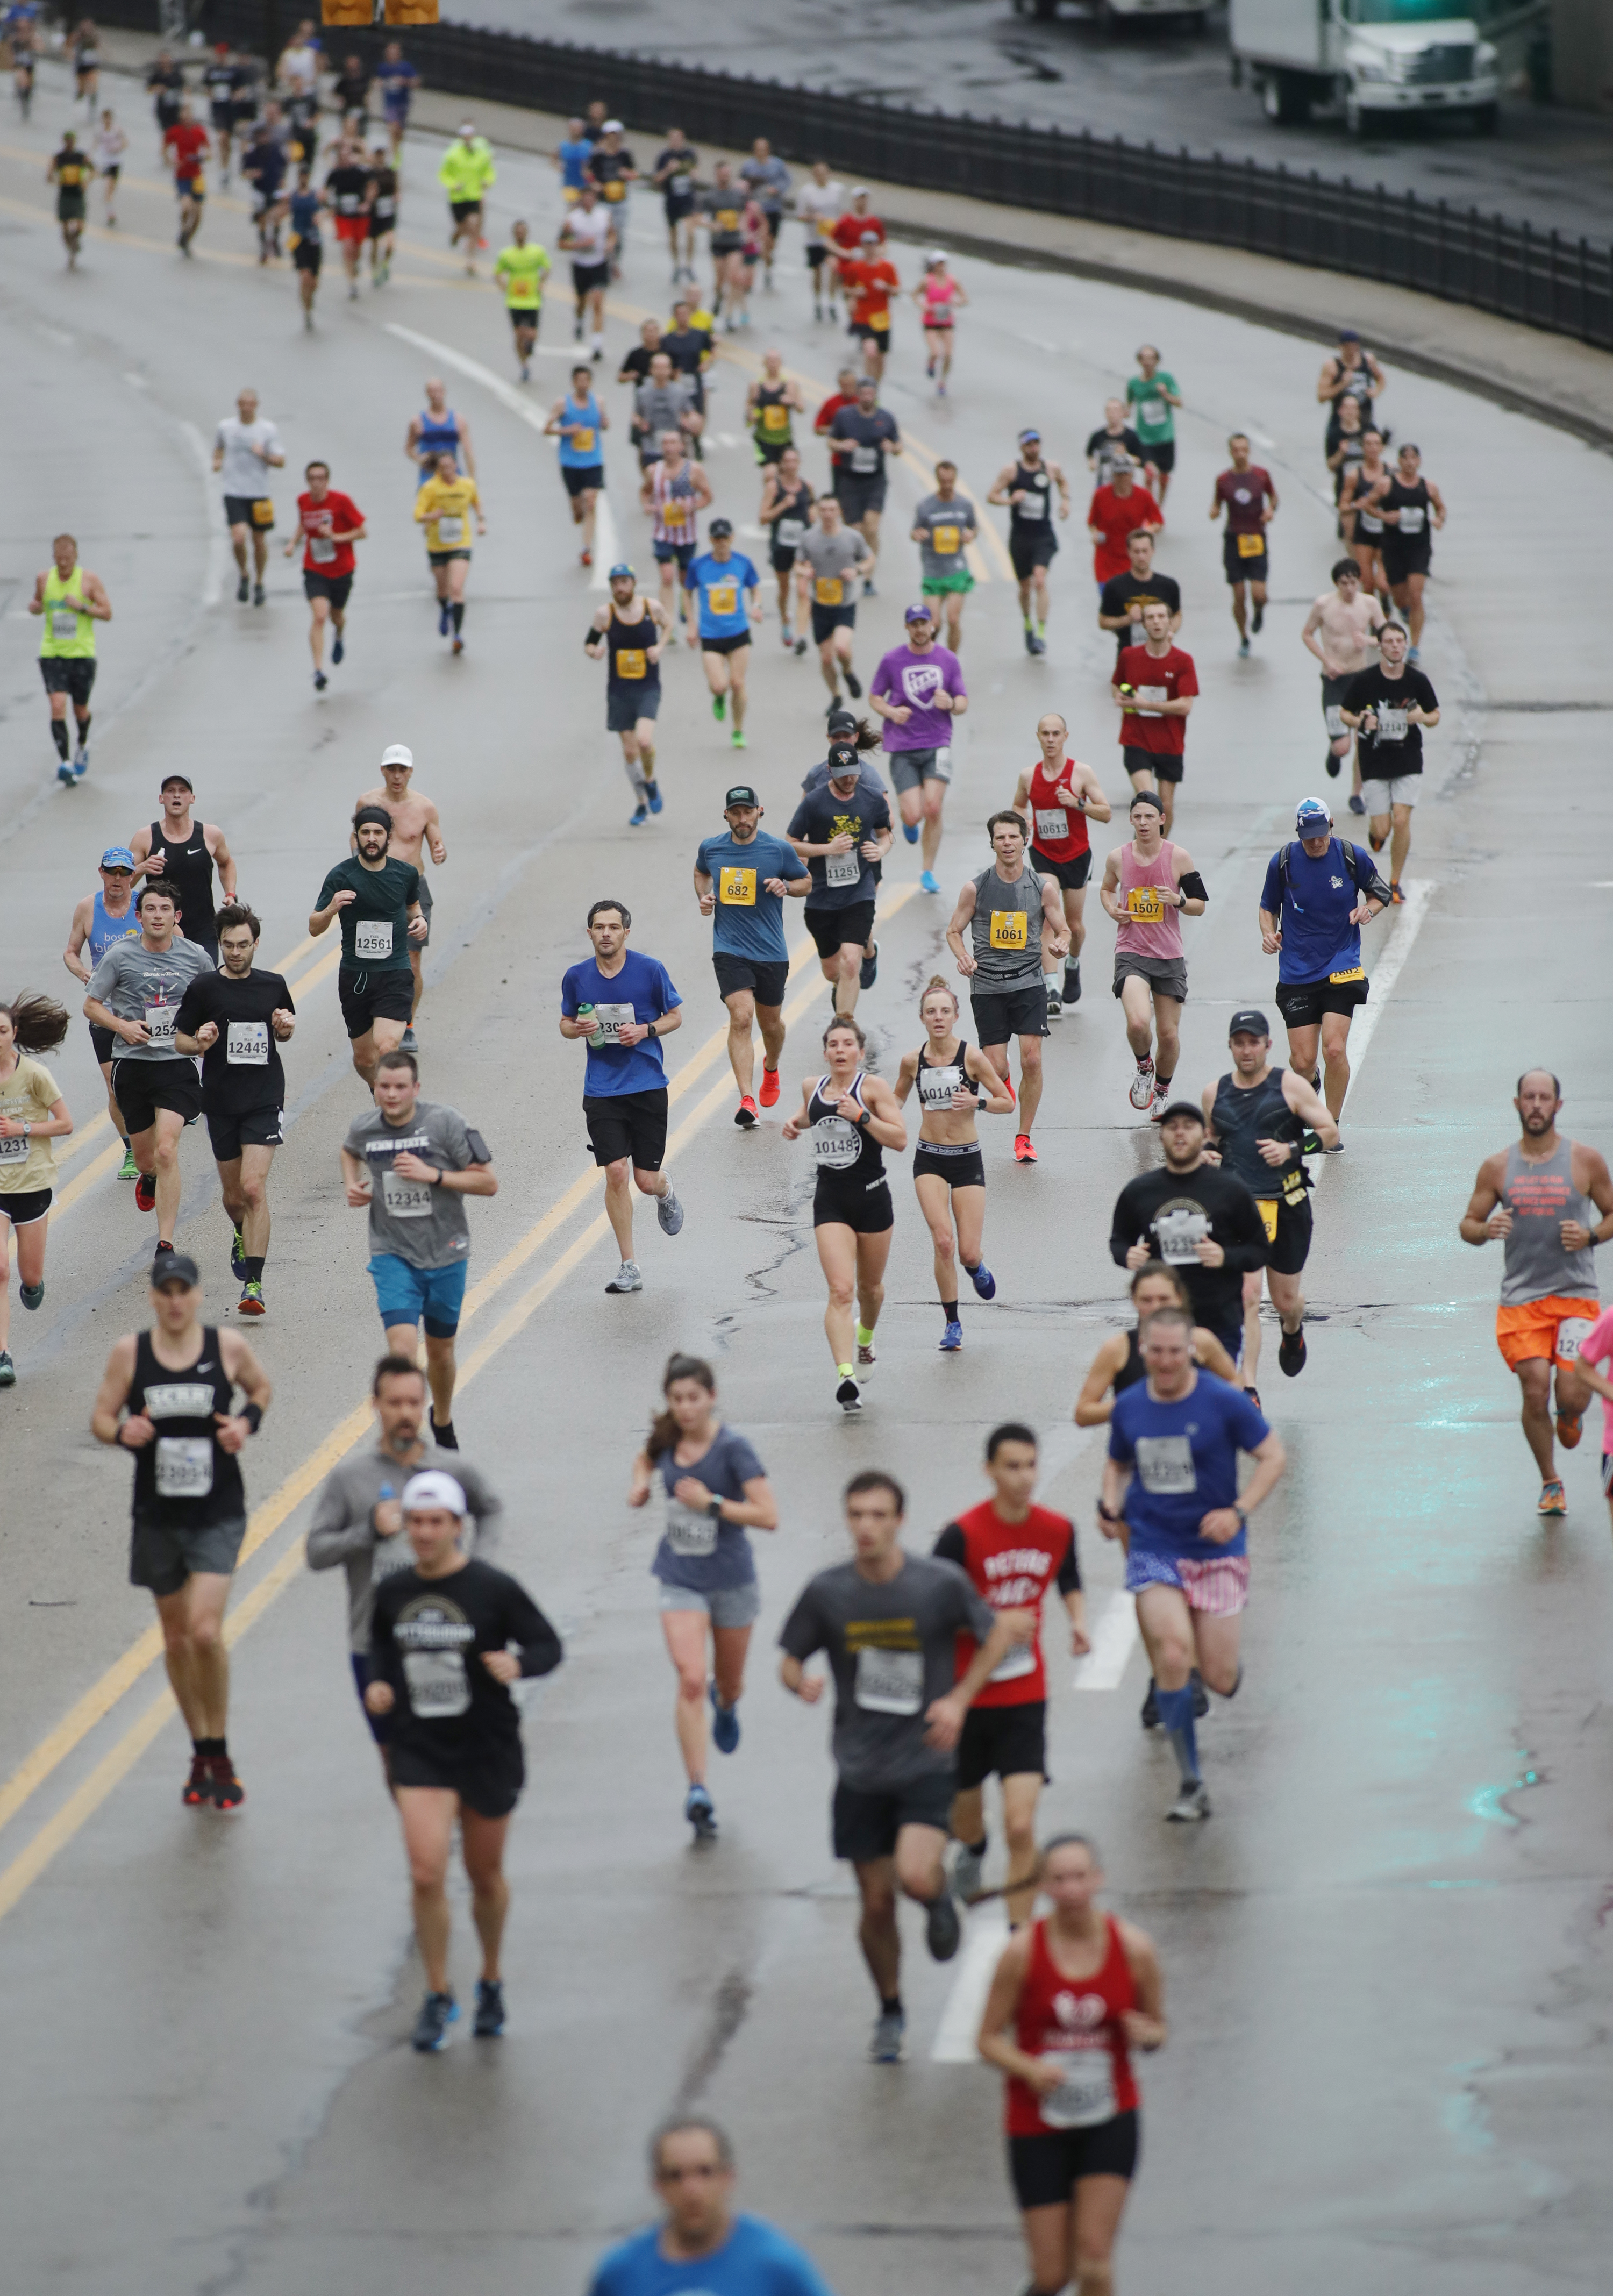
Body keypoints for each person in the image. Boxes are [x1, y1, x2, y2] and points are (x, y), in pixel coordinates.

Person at [779, 1468, 1020, 2058]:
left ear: (899, 1520)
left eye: (878, 1515)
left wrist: (960, 1699)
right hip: (859, 1769)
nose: (866, 1526)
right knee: (876, 1902)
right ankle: (890, 2009)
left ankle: (937, 1897)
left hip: (925, 1762)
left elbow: (996, 1636)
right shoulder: (828, 1591)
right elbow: (790, 1655)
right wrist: (800, 1683)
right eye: (856, 1515)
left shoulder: (936, 1584)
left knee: (913, 1875)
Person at [366, 1472, 562, 2050]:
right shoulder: (393, 1592)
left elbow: (549, 1645)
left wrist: (519, 1666)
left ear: (458, 1526)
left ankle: (492, 1977)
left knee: (484, 1876)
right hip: (420, 1747)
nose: (424, 1533)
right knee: (426, 1871)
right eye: (416, 1521)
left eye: (436, 1522)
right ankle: (436, 1992)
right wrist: (380, 1685)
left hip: (486, 1746)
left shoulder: (493, 1589)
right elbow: (380, 1647)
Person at [90, 1251, 272, 1812]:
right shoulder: (132, 1354)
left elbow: (260, 1391)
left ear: (196, 1296)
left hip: (218, 1509)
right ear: (153, 1297)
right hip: (157, 1514)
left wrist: (245, 1423)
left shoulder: (227, 1348)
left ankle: (219, 1747)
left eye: (183, 1292)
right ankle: (200, 1748)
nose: (174, 1301)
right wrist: (125, 1430)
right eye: (164, 1292)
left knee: (204, 1634)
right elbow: (99, 1418)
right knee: (173, 1640)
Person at [1102, 1306, 1284, 1819]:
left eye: (1174, 1352)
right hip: (1155, 1546)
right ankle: (1191, 1782)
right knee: (1175, 1655)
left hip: (1216, 1551)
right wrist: (1109, 1503)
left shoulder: (1223, 1402)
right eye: (1154, 1352)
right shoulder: (1130, 1405)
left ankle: (1222, 1668)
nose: (1164, 1362)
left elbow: (1273, 1456)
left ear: (1193, 1353)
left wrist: (1239, 1511)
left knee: (1221, 1678)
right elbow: (1116, 1463)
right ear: (1143, 1353)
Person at [977, 1835, 1166, 2296]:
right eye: (1059, 1879)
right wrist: (1030, 2069)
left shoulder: (1134, 1949)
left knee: (1095, 2260)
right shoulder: (1022, 1953)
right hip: (1036, 2121)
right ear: (1043, 1886)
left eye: (1081, 1877)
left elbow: (1157, 2028)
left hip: (1110, 2113)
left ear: (1098, 1880)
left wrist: (1149, 2035)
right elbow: (986, 2040)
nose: (1072, 1889)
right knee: (1052, 2275)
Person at [308, 1354, 503, 1768]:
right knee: (398, 1763)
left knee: (450, 1756)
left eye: (415, 1403)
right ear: (375, 1406)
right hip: (374, 1646)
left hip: (445, 1637)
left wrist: (477, 1571)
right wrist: (368, 1532)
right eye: (395, 1403)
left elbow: (491, 1508)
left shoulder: (449, 1470)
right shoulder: (351, 1479)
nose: (406, 1413)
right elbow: (316, 1552)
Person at [936, 1426, 1085, 1922]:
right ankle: (974, 1850)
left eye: (1029, 1465)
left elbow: (1068, 1575)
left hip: (1024, 1697)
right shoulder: (961, 1536)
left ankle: (1019, 1934)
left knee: (1021, 1827)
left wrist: (1079, 1621)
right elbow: (935, 1610)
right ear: (990, 1471)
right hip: (967, 1697)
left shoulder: (1057, 1529)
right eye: (1011, 1466)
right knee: (966, 1819)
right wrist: (992, 1623)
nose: (1023, 1477)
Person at [627, 1356, 778, 1842]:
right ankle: (698, 1789)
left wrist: (711, 1503)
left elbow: (768, 1515)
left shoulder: (733, 1450)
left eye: (694, 1398)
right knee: (691, 1679)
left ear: (712, 1397)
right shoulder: (666, 1436)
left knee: (727, 1686)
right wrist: (639, 1488)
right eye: (677, 1399)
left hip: (732, 1579)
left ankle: (727, 1703)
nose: (686, 1408)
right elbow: (645, 1459)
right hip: (680, 1577)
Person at [1459, 1072, 1613, 1516]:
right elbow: (1467, 1224)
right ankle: (1551, 1482)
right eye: (1530, 1098)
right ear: (1517, 1104)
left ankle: (1569, 1414)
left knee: (1570, 1395)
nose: (1537, 1105)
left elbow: (1611, 1214)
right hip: (1522, 1299)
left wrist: (1589, 1237)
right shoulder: (1497, 1168)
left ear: (1558, 1106)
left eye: (1545, 1098)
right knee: (1533, 1389)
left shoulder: (1586, 1162)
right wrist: (1487, 1230)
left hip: (1576, 1296)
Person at [341, 1050, 497, 1447]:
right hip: (392, 1253)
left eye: (400, 1087)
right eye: (384, 1087)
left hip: (446, 1252)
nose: (391, 1095)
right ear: (374, 1088)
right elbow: (349, 1149)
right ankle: (402, 1435)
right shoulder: (366, 1128)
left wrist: (434, 1175)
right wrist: (352, 1185)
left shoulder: (444, 1123)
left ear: (416, 1089)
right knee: (403, 1351)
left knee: (441, 1352)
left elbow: (488, 1183)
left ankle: (441, 1419)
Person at [1203, 1010, 1336, 1394]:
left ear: (1267, 1045)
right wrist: (1208, 1154)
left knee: (1285, 1300)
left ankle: (1292, 1329)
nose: (1247, 1051)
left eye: (1254, 1043)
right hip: (1240, 1211)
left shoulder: (1291, 1087)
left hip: (1287, 1204)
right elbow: (1212, 1137)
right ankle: (1248, 1388)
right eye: (1239, 1043)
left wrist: (1292, 1148)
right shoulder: (1214, 1093)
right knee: (1246, 1296)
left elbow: (1329, 1131)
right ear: (1230, 1046)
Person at [558, 900, 685, 1295]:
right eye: (600, 927)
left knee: (645, 1181)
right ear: (590, 933)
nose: (607, 934)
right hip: (602, 1088)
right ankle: (629, 1265)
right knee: (615, 1172)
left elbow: (676, 1016)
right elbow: (564, 1023)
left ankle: (666, 1192)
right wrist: (576, 1029)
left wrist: (645, 1031)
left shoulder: (650, 970)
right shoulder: (577, 976)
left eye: (614, 927)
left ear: (626, 932)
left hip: (647, 1085)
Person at [173, 906, 294, 1317]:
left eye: (244, 945)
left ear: (256, 944)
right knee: (234, 1197)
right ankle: (241, 1233)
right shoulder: (205, 988)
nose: (236, 953)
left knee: (254, 1188)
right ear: (220, 944)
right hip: (221, 1101)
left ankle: (254, 1284)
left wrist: (285, 1028)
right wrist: (200, 1042)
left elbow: (285, 1027)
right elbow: (180, 1042)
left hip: (264, 1097)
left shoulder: (273, 984)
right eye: (229, 945)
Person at [782, 1017, 907, 1410]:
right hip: (831, 1200)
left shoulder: (872, 1089)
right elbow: (811, 1116)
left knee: (870, 1290)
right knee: (841, 1291)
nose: (839, 1050)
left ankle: (865, 1338)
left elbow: (901, 1139)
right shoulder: (812, 1087)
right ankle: (845, 1376)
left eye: (847, 1044)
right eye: (833, 1044)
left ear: (860, 1052)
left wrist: (862, 1117)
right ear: (825, 1052)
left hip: (872, 1198)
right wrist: (795, 1123)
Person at [83, 881, 210, 1259]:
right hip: (133, 1065)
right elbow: (91, 1006)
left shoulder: (196, 957)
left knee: (168, 1150)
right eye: (150, 909)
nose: (158, 916)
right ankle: (149, 1176)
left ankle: (165, 1243)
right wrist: (122, 1026)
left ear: (177, 917)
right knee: (147, 1160)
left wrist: (205, 1030)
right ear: (139, 917)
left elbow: (215, 996)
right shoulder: (120, 956)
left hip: (177, 1065)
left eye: (164, 909)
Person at [1258, 795, 1391, 1132]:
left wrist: (1367, 910)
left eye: (1321, 834)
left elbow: (1381, 893)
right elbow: (1268, 906)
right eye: (1309, 836)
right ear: (1299, 833)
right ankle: (1311, 1079)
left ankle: (1330, 1125)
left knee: (1334, 1048)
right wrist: (1268, 933)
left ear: (1332, 826)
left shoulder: (1350, 856)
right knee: (1302, 1061)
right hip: (1297, 969)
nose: (1316, 842)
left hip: (1342, 963)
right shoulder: (1284, 862)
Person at [894, 978, 1014, 1350]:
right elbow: (894, 1100)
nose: (939, 1018)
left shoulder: (972, 1057)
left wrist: (976, 1103)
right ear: (922, 1018)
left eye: (945, 1011)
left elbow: (1006, 1102)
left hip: (966, 1159)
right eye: (932, 1012)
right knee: (944, 1242)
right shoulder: (912, 1060)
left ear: (956, 1016)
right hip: (929, 1158)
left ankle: (977, 1267)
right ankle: (952, 1324)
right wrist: (874, 1124)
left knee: (967, 1251)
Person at [588, 2118, 834, 2295]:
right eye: (675, 2176)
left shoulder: (776, 2267)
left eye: (705, 2172)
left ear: (728, 2178)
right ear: (658, 2185)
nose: (691, 2190)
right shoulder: (621, 2274)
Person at [946, 812, 1068, 1166]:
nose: (1008, 843)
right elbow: (954, 930)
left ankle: (1024, 1137)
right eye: (1001, 838)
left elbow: (1063, 930)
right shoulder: (976, 888)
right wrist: (963, 957)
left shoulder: (1042, 887)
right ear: (992, 844)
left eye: (1014, 837)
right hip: (987, 985)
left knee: (1033, 1057)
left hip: (1029, 980)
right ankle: (1005, 1075)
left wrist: (1060, 944)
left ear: (1025, 840)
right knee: (995, 1069)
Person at [1108, 1103, 1268, 1372]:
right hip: (1160, 1323)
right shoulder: (1140, 1191)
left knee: (1213, 1403)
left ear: (1205, 1135)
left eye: (1188, 1127)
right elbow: (1118, 1241)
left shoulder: (1231, 1190)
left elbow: (1260, 1250)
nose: (1180, 1134)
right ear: (1161, 1136)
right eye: (1172, 1127)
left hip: (1219, 1318)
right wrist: (1127, 1255)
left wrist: (1225, 1257)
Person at [695, 787, 809, 1126]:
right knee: (742, 1016)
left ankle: (771, 1067)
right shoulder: (712, 848)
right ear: (726, 815)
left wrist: (786, 887)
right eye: (736, 813)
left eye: (748, 812)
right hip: (729, 948)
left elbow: (807, 881)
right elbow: (701, 872)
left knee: (770, 1023)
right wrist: (705, 898)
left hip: (771, 951)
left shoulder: (778, 850)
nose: (742, 819)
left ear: (760, 812)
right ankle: (747, 1100)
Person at [1098, 792, 1207, 1121]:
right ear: (1130, 820)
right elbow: (1106, 888)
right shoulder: (1118, 857)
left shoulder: (1179, 858)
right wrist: (1111, 908)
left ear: (1162, 819)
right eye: (1137, 817)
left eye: (1149, 817)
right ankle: (1144, 1065)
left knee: (1169, 1036)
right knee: (1137, 1021)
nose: (1143, 823)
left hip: (1169, 956)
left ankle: (1161, 1091)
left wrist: (1177, 900)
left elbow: (1200, 904)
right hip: (1131, 951)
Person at [311, 805, 426, 1085]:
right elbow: (314, 927)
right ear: (357, 837)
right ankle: (381, 1095)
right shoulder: (341, 876)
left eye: (378, 832)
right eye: (366, 832)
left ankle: (390, 1111)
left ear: (389, 837)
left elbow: (412, 905)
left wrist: (420, 919)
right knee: (364, 1060)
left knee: (387, 1047)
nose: (372, 838)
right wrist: (331, 910)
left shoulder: (406, 874)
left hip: (394, 974)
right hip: (356, 977)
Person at [1011, 714, 1112, 1018]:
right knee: (1046, 916)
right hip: (1044, 854)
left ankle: (1073, 963)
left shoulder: (1081, 773)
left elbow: (1106, 813)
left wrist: (1077, 803)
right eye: (1045, 734)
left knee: (1074, 924)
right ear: (1038, 736)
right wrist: (1024, 820)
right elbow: (1018, 803)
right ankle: (1051, 986)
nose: (1051, 739)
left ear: (1066, 736)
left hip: (1077, 856)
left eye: (1056, 734)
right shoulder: (1029, 776)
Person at [786, 741, 894, 1018]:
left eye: (854, 772)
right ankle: (862, 962)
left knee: (850, 962)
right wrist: (826, 849)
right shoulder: (814, 802)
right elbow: (791, 844)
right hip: (822, 895)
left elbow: (886, 834)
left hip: (859, 893)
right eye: (843, 772)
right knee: (833, 971)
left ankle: (844, 1026)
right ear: (830, 770)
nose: (850, 778)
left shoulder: (872, 799)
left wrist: (879, 850)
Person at [871, 603, 968, 896]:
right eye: (914, 624)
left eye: (924, 623)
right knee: (913, 815)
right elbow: (875, 696)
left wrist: (950, 704)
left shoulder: (948, 660)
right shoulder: (892, 660)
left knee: (933, 808)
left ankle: (927, 871)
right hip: (903, 745)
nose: (920, 629)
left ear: (932, 626)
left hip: (938, 741)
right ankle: (910, 824)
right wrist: (890, 712)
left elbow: (962, 701)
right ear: (907, 627)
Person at [0, 994, 73, 1388]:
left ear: (15, 1034)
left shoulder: (35, 1076)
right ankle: (2, 1354)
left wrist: (22, 1129)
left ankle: (34, 1284)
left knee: (28, 1275)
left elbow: (65, 1124)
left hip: (32, 1183)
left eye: (2, 1031)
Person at [351, 743, 445, 1043]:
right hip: (374, 886)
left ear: (410, 772)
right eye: (391, 769)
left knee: (412, 961)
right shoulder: (367, 802)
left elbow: (436, 846)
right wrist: (357, 862)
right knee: (371, 956)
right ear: (383, 770)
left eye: (402, 769)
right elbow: (356, 837)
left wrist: (440, 852)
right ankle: (370, 1013)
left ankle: (407, 1024)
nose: (396, 775)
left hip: (412, 889)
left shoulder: (424, 807)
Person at [1339, 620, 1438, 903]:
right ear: (1380, 646)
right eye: (1390, 641)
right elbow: (1346, 713)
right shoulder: (1366, 680)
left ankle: (1394, 881)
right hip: (1375, 761)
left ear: (1406, 645)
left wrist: (1421, 717)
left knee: (1402, 819)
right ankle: (1377, 834)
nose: (1396, 646)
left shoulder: (1416, 680)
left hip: (1408, 759)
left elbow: (1435, 716)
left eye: (1400, 641)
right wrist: (1361, 721)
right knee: (1383, 828)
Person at [1073, 1261, 1239, 1428]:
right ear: (1134, 1300)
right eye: (1147, 1300)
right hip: (1139, 1448)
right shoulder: (1118, 1348)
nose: (1156, 1307)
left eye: (1164, 1299)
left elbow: (1235, 1384)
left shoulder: (1202, 1341)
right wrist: (1136, 1403)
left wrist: (1205, 1404)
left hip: (1195, 1444)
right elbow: (1083, 1413)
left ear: (1179, 1298)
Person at [62, 845, 142, 1175]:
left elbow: (177, 940)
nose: (118, 879)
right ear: (102, 873)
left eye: (124, 873)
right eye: (112, 871)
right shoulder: (88, 908)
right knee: (116, 1086)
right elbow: (70, 952)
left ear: (132, 877)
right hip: (105, 1011)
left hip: (143, 1008)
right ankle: (130, 1149)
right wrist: (84, 973)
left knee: (148, 1079)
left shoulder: (144, 905)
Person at [589, 565, 670, 827]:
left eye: (624, 582)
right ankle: (641, 803)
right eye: (615, 583)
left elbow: (668, 625)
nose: (620, 588)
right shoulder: (605, 614)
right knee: (629, 751)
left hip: (648, 687)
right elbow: (590, 642)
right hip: (619, 691)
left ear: (634, 583)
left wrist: (659, 647)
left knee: (644, 742)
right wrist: (594, 652)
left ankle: (650, 781)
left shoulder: (652, 608)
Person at [29, 531, 110, 785]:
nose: (63, 563)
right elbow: (38, 603)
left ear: (76, 556)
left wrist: (82, 607)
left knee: (80, 710)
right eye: (58, 558)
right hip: (52, 652)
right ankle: (65, 763)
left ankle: (82, 744)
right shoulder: (44, 579)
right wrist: (36, 608)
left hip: (82, 654)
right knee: (57, 705)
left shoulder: (88, 581)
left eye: (67, 558)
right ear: (53, 557)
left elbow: (107, 612)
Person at [1111, 599, 1197, 836]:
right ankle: (1136, 859)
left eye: (1161, 617)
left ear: (1171, 623)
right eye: (1151, 618)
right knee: (1149, 802)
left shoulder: (1183, 661)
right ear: (1144, 624)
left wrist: (1145, 704)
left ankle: (1156, 852)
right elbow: (1116, 685)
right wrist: (1121, 698)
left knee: (1165, 808)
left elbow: (1185, 705)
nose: (1156, 622)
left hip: (1170, 741)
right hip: (1136, 739)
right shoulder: (1129, 656)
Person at [130, 772, 235, 964]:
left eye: (182, 791)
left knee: (203, 986)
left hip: (203, 930)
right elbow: (123, 883)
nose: (176, 796)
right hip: (161, 930)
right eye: (170, 791)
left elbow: (226, 863)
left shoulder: (210, 835)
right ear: (161, 799)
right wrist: (143, 868)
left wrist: (230, 893)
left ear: (192, 799)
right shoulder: (145, 837)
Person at [983, 431, 1067, 657]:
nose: (1033, 449)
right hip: (1021, 537)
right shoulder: (1011, 471)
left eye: (1036, 444)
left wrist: (1065, 502)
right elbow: (991, 495)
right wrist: (1011, 500)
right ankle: (1028, 624)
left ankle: (1041, 633)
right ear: (1022, 448)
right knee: (1025, 587)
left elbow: (1062, 482)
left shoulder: (1050, 468)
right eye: (1028, 445)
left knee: (1040, 580)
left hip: (1043, 535)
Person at [1301, 557, 1383, 788]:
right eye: (1345, 583)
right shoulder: (1323, 605)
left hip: (1361, 678)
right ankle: (1335, 750)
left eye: (1354, 582)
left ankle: (1356, 794)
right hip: (1335, 679)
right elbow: (1307, 634)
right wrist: (1326, 660)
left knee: (1363, 740)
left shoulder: (1369, 604)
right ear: (1337, 584)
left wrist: (1368, 640)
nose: (1350, 588)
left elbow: (1387, 636)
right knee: (1343, 747)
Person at [286, 460, 366, 690]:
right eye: (312, 479)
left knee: (336, 617)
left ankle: (339, 634)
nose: (316, 483)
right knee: (319, 616)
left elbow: (362, 532)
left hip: (342, 569)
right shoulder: (303, 501)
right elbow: (303, 523)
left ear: (328, 481)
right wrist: (293, 543)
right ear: (307, 481)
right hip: (315, 569)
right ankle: (319, 671)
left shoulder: (341, 501)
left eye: (321, 478)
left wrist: (336, 537)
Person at [684, 519, 763, 748]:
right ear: (711, 540)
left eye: (725, 538)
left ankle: (737, 730)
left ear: (732, 538)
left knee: (738, 684)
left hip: (738, 633)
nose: (721, 543)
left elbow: (755, 587)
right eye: (717, 539)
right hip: (711, 635)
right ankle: (719, 696)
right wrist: (691, 624)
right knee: (720, 686)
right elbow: (687, 593)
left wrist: (756, 606)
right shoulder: (699, 565)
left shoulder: (742, 563)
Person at [795, 495, 874, 710]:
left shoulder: (852, 537)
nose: (828, 514)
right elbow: (798, 565)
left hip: (845, 604)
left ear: (839, 512)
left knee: (841, 648)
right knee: (827, 659)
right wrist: (806, 571)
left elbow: (869, 559)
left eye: (832, 510)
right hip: (820, 604)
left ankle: (848, 672)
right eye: (824, 510)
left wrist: (856, 571)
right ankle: (836, 695)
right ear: (818, 513)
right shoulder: (809, 538)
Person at [1371, 441, 1445, 660]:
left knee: (1416, 594)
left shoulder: (1428, 487)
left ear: (1420, 461)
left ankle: (1414, 647)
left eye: (1415, 459)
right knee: (1400, 598)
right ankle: (1404, 609)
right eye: (1406, 459)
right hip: (1393, 548)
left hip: (1419, 548)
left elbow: (1441, 508)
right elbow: (1367, 505)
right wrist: (1385, 517)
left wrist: (1439, 520)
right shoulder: (1386, 485)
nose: (1411, 463)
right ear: (1400, 461)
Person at [213, 387, 284, 608]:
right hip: (234, 491)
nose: (246, 408)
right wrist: (217, 461)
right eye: (242, 404)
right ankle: (244, 573)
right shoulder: (226, 427)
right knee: (238, 537)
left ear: (256, 405)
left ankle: (259, 582)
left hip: (259, 492)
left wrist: (263, 454)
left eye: (250, 404)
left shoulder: (267, 430)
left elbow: (281, 461)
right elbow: (218, 449)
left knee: (260, 541)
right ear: (237, 405)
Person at [826, 375, 900, 588]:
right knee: (856, 529)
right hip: (849, 479)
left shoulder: (886, 418)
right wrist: (842, 445)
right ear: (858, 395)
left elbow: (899, 446)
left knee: (872, 527)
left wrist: (892, 448)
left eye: (872, 394)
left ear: (876, 395)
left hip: (875, 479)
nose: (868, 397)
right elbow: (831, 441)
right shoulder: (844, 416)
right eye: (864, 394)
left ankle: (868, 575)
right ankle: (856, 563)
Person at [1210, 433, 1277, 657]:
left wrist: (1269, 511)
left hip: (1256, 538)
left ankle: (1259, 612)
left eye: (1244, 450)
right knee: (1239, 595)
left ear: (1249, 451)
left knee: (1258, 594)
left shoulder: (1261, 475)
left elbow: (1274, 498)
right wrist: (1215, 511)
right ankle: (1244, 637)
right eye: (1236, 450)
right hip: (1234, 540)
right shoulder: (1223, 480)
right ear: (1230, 452)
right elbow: (1216, 504)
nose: (1240, 454)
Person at [413, 448, 484, 657]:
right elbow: (417, 515)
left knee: (456, 588)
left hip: (460, 543)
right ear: (438, 469)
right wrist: (431, 516)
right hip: (437, 545)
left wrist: (481, 520)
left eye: (449, 466)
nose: (446, 470)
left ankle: (458, 635)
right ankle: (445, 609)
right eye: (442, 467)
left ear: (456, 465)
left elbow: (476, 502)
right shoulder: (429, 488)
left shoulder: (467, 485)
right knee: (442, 590)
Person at [641, 428, 710, 641]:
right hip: (662, 532)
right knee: (667, 576)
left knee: (684, 578)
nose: (670, 447)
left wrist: (692, 507)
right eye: (666, 444)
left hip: (686, 534)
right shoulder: (654, 470)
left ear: (682, 446)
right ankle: (668, 623)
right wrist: (649, 507)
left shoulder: (694, 470)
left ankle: (685, 607)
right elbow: (645, 491)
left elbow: (708, 495)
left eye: (674, 443)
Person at [911, 461, 979, 652]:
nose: (947, 485)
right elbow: (914, 531)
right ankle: (929, 656)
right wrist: (918, 535)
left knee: (953, 619)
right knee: (934, 624)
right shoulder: (926, 506)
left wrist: (971, 534)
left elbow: (974, 527)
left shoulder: (965, 504)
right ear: (937, 480)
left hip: (956, 569)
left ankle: (952, 662)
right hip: (933, 569)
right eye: (943, 481)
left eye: (950, 481)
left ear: (955, 479)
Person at [546, 364, 608, 569]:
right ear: (574, 382)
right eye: (579, 380)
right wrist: (566, 431)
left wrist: (605, 422)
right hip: (570, 462)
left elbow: (604, 424)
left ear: (590, 382)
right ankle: (576, 511)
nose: (583, 384)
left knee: (591, 502)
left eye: (587, 380)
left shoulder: (598, 402)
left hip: (593, 460)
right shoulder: (563, 404)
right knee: (578, 511)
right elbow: (546, 428)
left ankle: (586, 549)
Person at [1084, 459, 1162, 609]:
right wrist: (1095, 534)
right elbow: (1092, 522)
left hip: (1133, 559)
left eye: (1125, 474)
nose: (1122, 478)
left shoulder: (1143, 496)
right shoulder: (1101, 496)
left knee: (1132, 605)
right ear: (1113, 475)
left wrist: (1146, 533)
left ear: (1132, 474)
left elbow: (1158, 522)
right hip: (1106, 559)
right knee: (1111, 604)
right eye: (1118, 474)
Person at [758, 444, 814, 650]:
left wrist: (813, 514)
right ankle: (785, 620)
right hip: (781, 545)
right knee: (784, 589)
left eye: (795, 461)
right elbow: (763, 518)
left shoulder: (807, 486)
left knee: (802, 590)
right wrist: (782, 506)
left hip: (802, 546)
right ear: (781, 464)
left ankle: (800, 636)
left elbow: (813, 505)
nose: (791, 465)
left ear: (799, 463)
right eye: (787, 461)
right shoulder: (774, 487)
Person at [1097, 526, 1180, 664]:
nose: (1141, 557)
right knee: (1123, 686)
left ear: (1153, 551)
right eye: (1137, 552)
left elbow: (1177, 615)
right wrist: (1127, 619)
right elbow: (1103, 621)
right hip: (1129, 659)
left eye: (1145, 551)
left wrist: (1169, 631)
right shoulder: (1115, 586)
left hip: (1162, 658)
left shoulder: (1169, 586)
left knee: (1160, 685)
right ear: (1129, 553)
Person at [559, 180, 616, 358]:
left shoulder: (604, 216)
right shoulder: (572, 219)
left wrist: (609, 245)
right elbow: (561, 243)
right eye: (586, 198)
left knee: (598, 302)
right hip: (580, 264)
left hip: (599, 263)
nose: (589, 202)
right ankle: (579, 320)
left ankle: (597, 345)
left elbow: (612, 234)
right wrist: (580, 244)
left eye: (592, 198)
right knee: (582, 302)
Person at [489, 215, 548, 381]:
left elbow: (547, 268)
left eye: (523, 231)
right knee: (519, 334)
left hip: (532, 300)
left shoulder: (537, 251)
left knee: (532, 335)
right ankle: (524, 365)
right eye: (518, 232)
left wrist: (542, 282)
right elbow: (498, 272)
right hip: (515, 300)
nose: (520, 234)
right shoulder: (507, 254)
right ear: (514, 234)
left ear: (527, 233)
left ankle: (528, 349)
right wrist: (502, 286)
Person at [1341, 426, 1393, 610]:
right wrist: (1357, 505)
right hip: (1364, 532)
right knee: (1368, 584)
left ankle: (1386, 602)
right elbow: (1343, 507)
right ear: (1363, 448)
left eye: (1377, 444)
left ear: (1382, 448)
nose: (1372, 448)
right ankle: (1374, 624)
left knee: (1384, 584)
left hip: (1386, 532)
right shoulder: (1354, 476)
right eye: (1368, 444)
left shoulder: (1391, 473)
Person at [838, 230, 900, 380]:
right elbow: (845, 289)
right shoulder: (855, 267)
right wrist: (855, 292)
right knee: (870, 351)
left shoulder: (887, 267)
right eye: (867, 244)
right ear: (862, 247)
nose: (870, 248)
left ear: (877, 247)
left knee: (880, 358)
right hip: (863, 317)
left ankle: (874, 388)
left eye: (873, 244)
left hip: (882, 318)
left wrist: (885, 287)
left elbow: (897, 291)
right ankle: (867, 384)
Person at [1126, 344, 1181, 504]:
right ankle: (1149, 509)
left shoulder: (1166, 379)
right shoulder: (1134, 383)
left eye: (1152, 358)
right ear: (1139, 361)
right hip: (1144, 437)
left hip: (1165, 435)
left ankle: (1159, 507)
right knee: (1149, 474)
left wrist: (1165, 394)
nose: (1148, 362)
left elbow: (1179, 402)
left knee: (1164, 477)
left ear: (1157, 361)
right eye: (1144, 358)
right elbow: (1129, 404)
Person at [438, 118, 494, 275]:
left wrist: (487, 182)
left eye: (471, 136)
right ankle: (456, 234)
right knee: (463, 229)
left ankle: (471, 261)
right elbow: (443, 174)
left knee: (473, 226)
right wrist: (453, 184)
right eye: (466, 136)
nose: (468, 139)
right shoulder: (453, 154)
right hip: (457, 198)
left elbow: (489, 170)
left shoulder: (480, 153)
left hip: (474, 195)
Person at [1316, 326, 1385, 446]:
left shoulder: (1368, 360)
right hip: (1341, 422)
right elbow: (1321, 397)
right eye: (1348, 347)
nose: (1352, 351)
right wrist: (1342, 385)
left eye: (1354, 347)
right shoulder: (1332, 366)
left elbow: (1381, 378)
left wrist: (1376, 391)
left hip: (1365, 418)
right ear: (1341, 347)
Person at [632, 350, 702, 468]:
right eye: (657, 368)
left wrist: (692, 422)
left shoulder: (679, 391)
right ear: (651, 370)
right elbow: (636, 415)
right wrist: (640, 423)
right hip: (652, 445)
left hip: (675, 446)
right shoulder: (643, 392)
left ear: (670, 370)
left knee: (676, 481)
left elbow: (691, 413)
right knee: (654, 481)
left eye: (664, 368)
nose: (661, 372)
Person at [324, 135, 373, 302]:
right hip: (343, 216)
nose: (344, 160)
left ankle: (355, 265)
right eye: (341, 157)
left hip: (359, 216)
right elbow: (325, 192)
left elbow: (372, 186)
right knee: (348, 245)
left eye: (347, 156)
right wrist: (330, 206)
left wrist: (366, 203)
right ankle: (352, 284)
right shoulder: (335, 173)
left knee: (357, 249)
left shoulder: (360, 172)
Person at [405, 377, 474, 487]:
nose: (436, 395)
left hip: (453, 476)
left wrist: (471, 480)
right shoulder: (417, 421)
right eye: (432, 391)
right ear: (427, 394)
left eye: (438, 390)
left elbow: (468, 451)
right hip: (428, 477)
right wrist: (419, 459)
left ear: (444, 392)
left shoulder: (458, 420)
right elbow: (409, 448)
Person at [798, 159, 845, 319]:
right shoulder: (807, 192)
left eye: (824, 174)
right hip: (814, 238)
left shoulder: (837, 190)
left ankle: (832, 301)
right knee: (817, 271)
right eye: (818, 174)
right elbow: (800, 215)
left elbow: (843, 211)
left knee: (834, 269)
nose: (821, 177)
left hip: (832, 238)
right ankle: (817, 301)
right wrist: (813, 217)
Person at [739, 135, 790, 283]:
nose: (761, 152)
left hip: (773, 209)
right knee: (758, 239)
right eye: (758, 150)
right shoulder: (749, 166)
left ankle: (768, 264)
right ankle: (752, 269)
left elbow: (787, 180)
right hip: (756, 210)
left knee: (770, 243)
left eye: (763, 150)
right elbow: (742, 183)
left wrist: (777, 189)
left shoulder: (777, 165)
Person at [162, 97, 210, 256]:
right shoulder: (175, 131)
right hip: (182, 175)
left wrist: (202, 157)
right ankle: (183, 229)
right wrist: (171, 161)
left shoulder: (199, 131)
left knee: (198, 212)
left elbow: (209, 151)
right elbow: (165, 148)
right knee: (186, 206)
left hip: (197, 176)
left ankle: (187, 238)